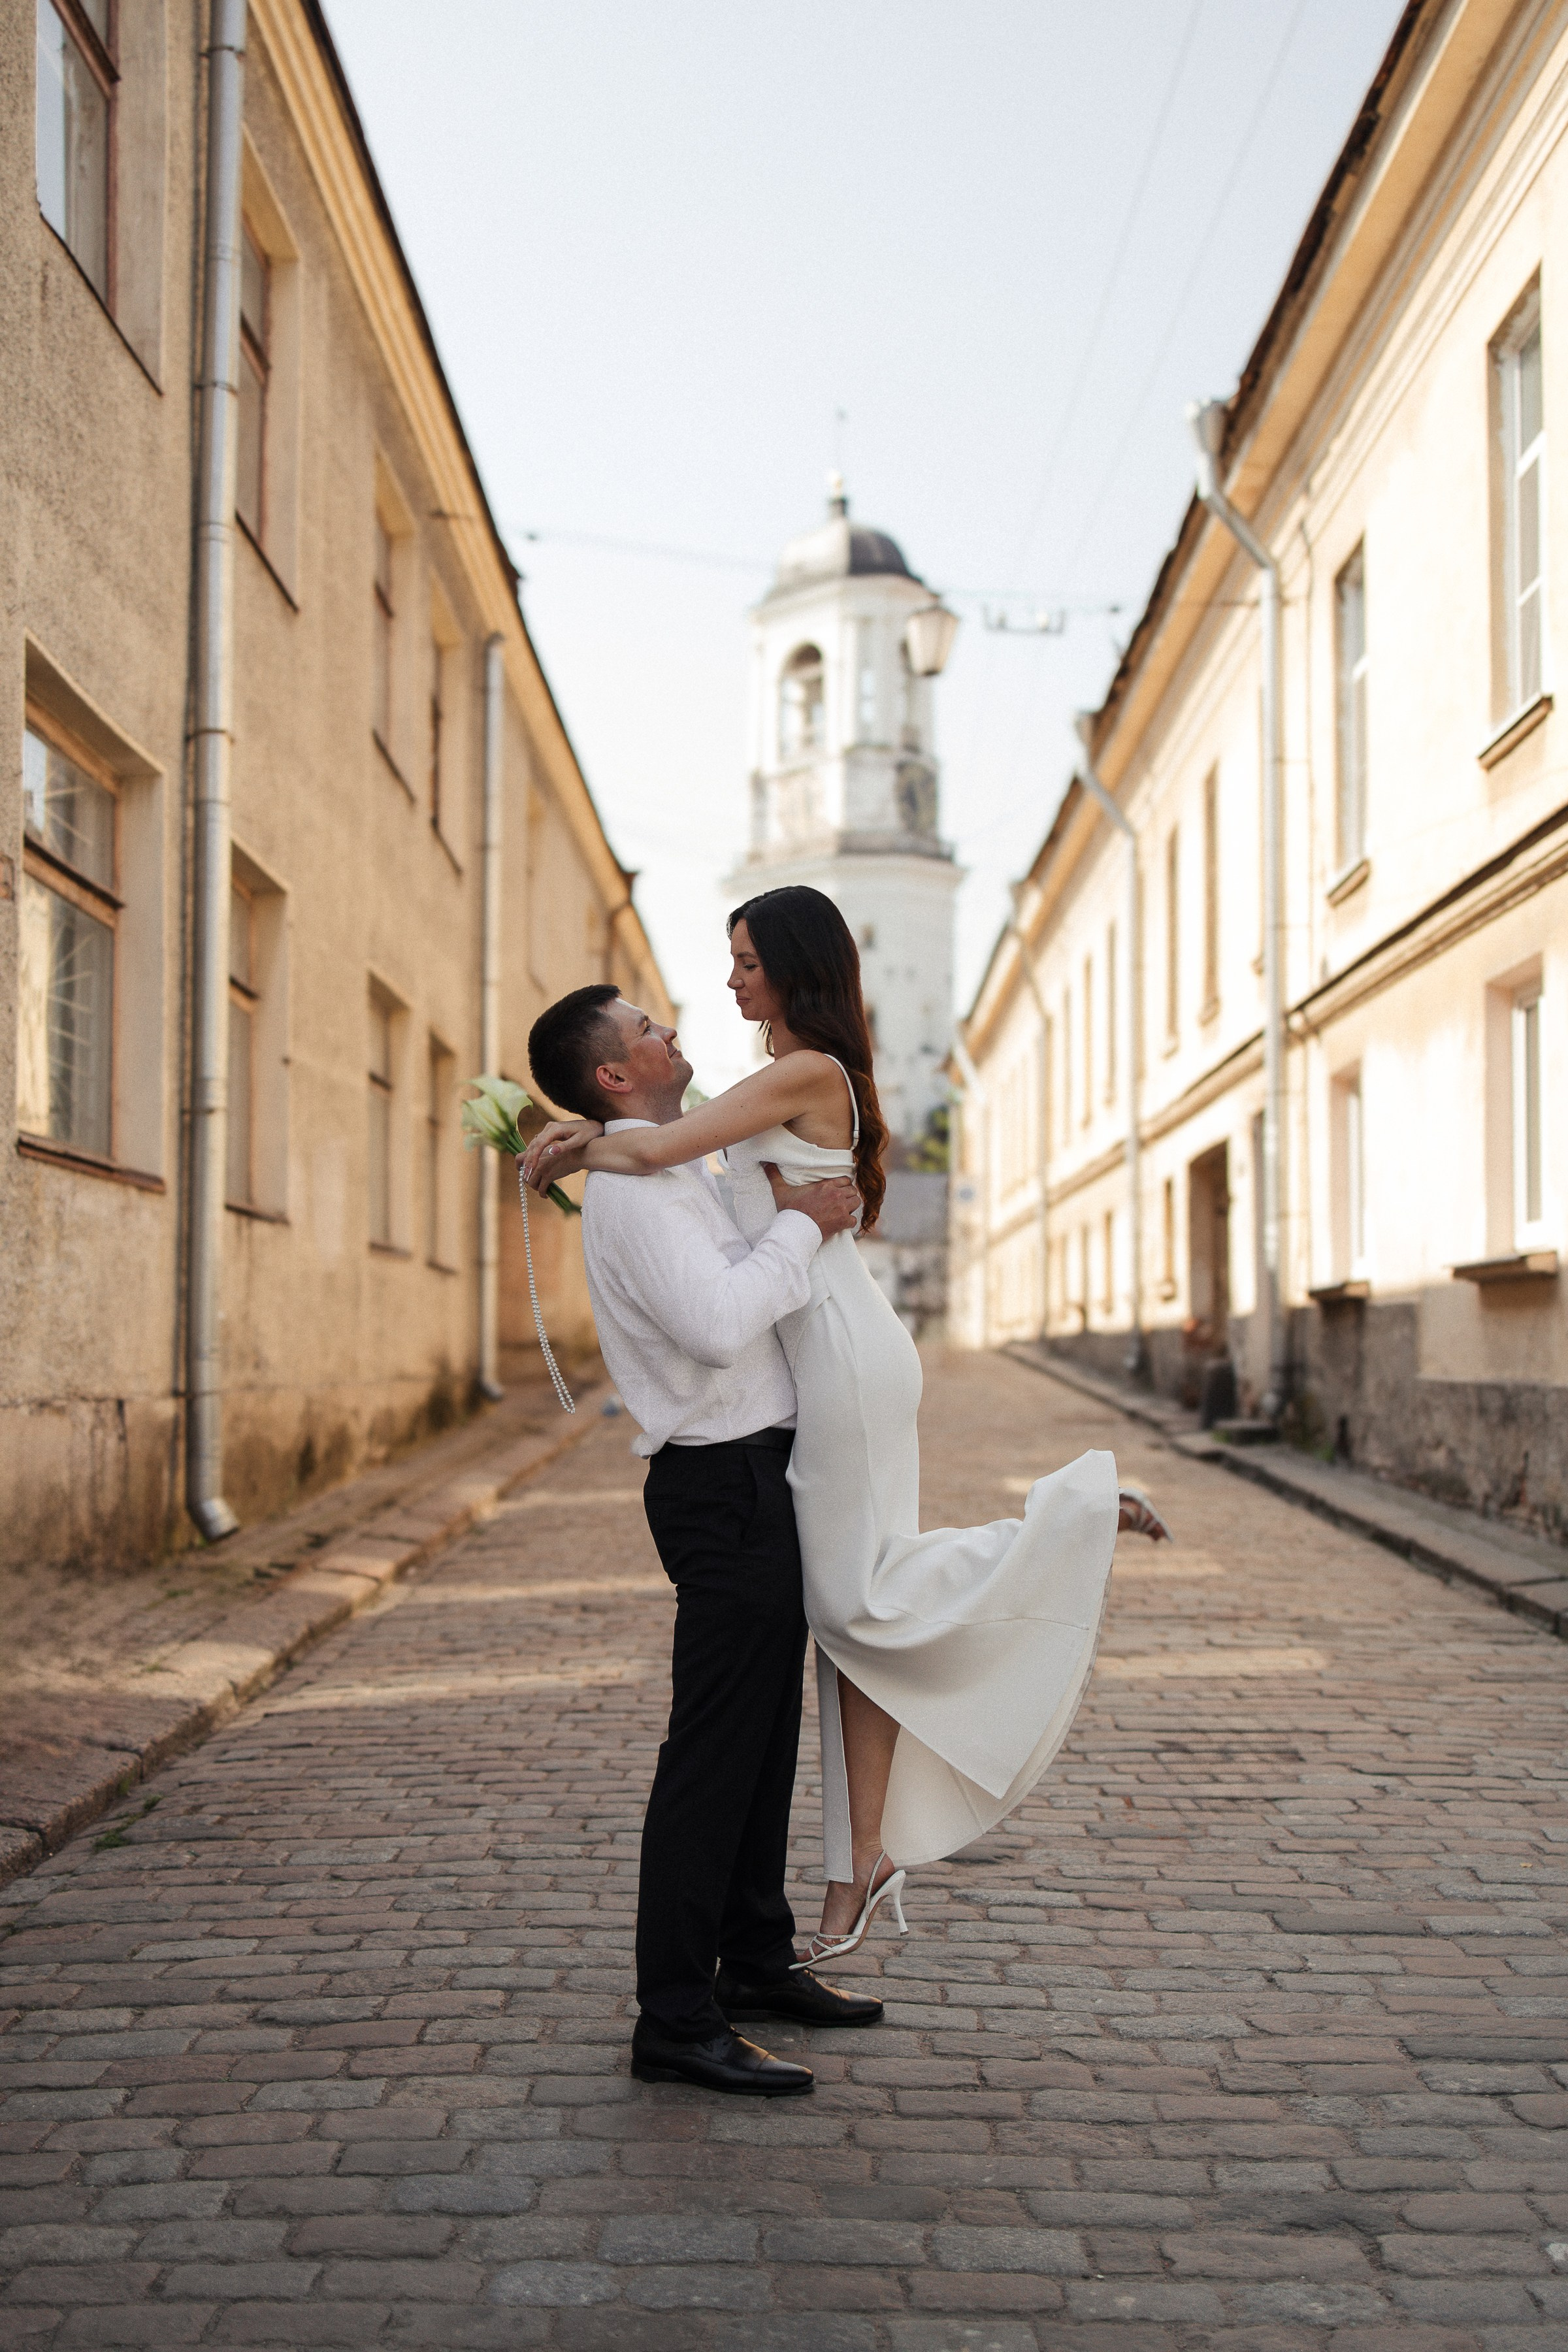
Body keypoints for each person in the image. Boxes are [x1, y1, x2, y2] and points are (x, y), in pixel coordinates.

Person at [525, 887, 1169, 1974]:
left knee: (860, 1596)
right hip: (824, 1343)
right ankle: (854, 1864)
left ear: (791, 967)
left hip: (837, 1355)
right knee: (850, 1606)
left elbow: (659, 1147)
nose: (724, 984)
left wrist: (580, 1144)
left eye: (743, 963)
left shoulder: (805, 1071)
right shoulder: (776, 1078)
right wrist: (600, 1130)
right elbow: (673, 1145)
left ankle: (1069, 1520)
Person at [526, 981, 885, 2099]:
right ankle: (676, 2017)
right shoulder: (638, 1196)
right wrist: (800, 1223)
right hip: (716, 1484)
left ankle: (756, 1961)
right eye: (645, 1029)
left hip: (756, 1472)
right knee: (712, 1758)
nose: (672, 1027)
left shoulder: (663, 1160)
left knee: (762, 1743)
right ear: (615, 1076)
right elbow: (722, 1323)